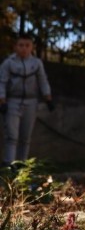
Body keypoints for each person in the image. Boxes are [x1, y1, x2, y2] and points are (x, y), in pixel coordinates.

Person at [0, 35, 54, 166]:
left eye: (27, 45)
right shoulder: (9, 63)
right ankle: (9, 165)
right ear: (15, 47)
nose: (24, 48)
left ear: (32, 47)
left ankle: (22, 166)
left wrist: (48, 98)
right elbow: (2, 82)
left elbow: (42, 81)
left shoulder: (36, 63)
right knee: (12, 136)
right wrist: (2, 100)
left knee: (25, 137)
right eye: (21, 45)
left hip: (31, 102)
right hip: (13, 101)